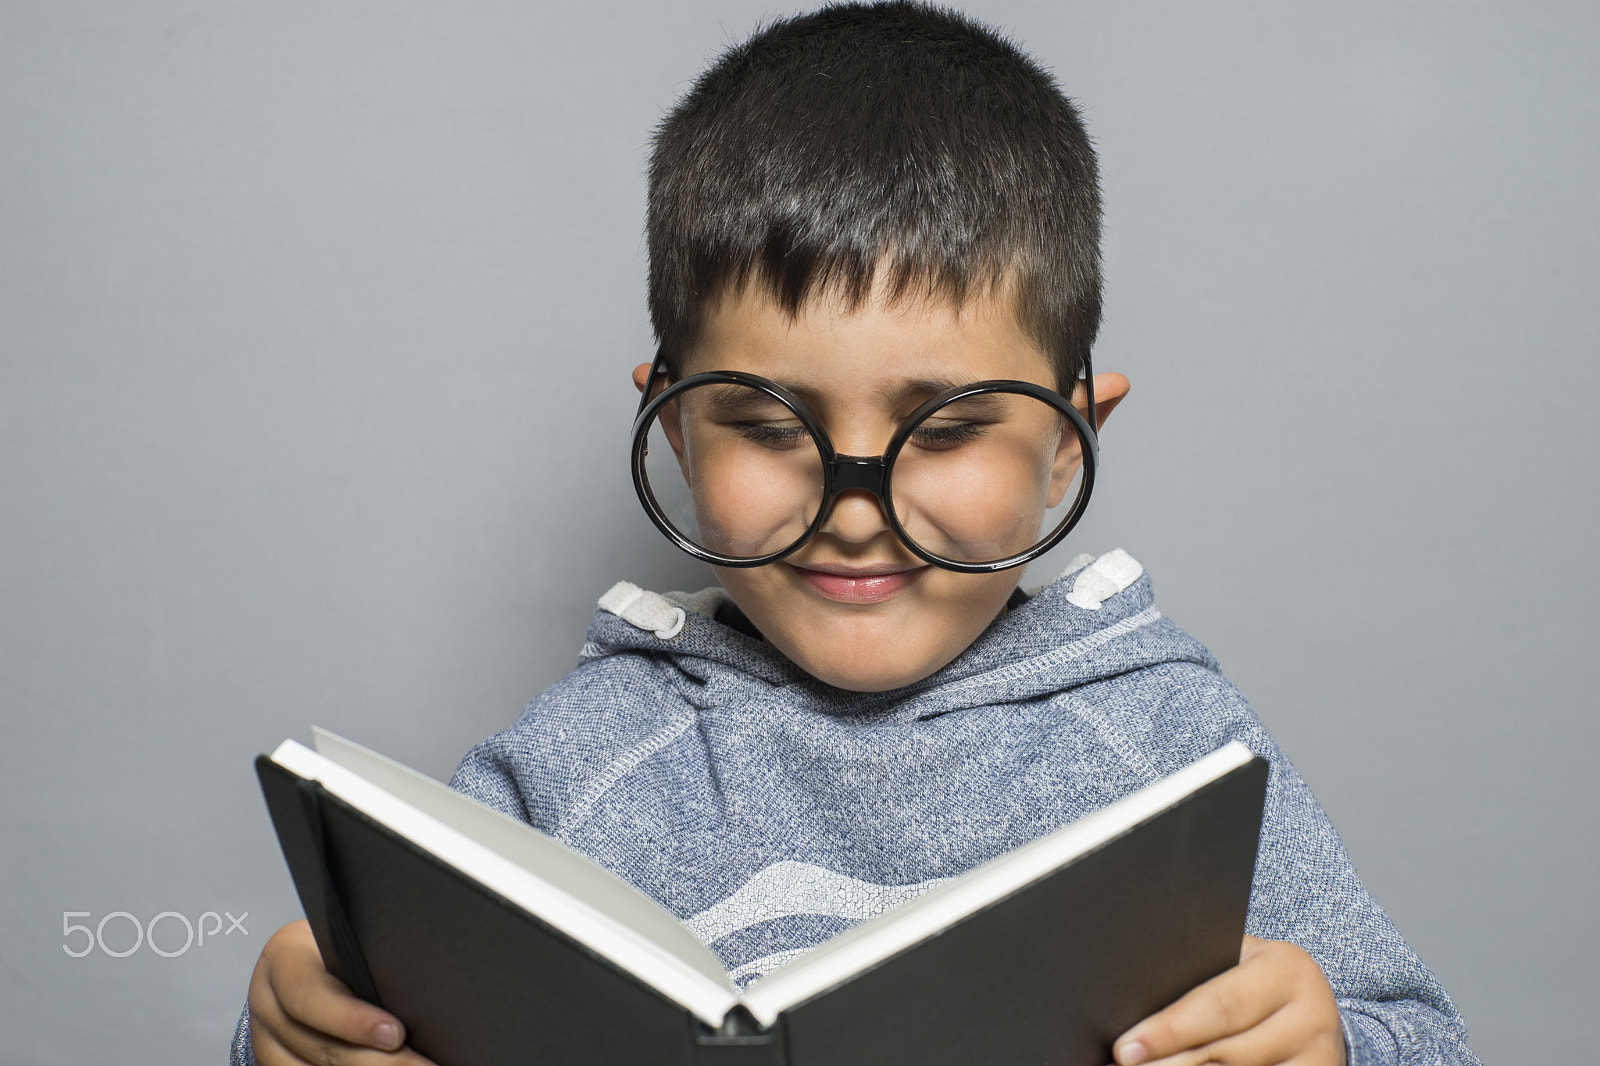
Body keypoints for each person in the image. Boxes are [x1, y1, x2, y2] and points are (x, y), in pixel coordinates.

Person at [232, 4, 1480, 1064]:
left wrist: (1331, 1045)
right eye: (768, 424)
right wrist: (295, 1032)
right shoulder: (572, 766)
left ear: (1066, 443)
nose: (852, 505)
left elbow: (1416, 1036)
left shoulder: (1167, 742)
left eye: (946, 427)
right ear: (674, 432)